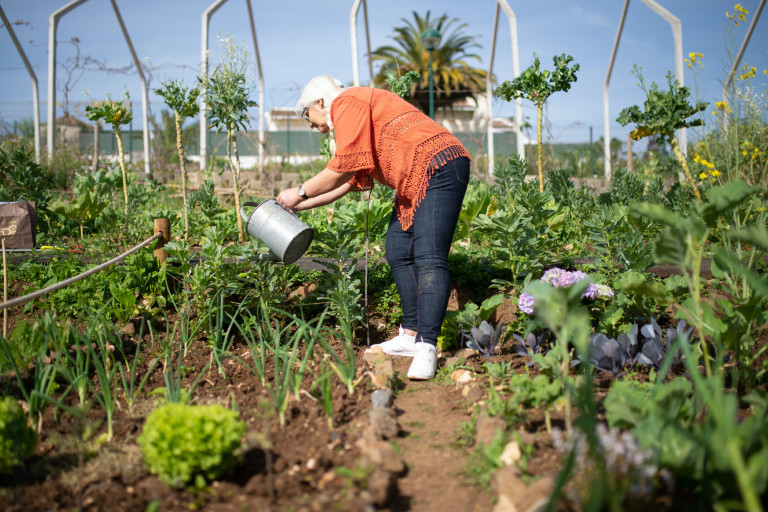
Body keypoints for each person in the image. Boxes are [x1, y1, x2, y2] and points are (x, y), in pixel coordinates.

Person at [276, 75, 470, 380]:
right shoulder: (353, 121)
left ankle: (427, 346)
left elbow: (343, 167)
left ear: (320, 102)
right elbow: (348, 181)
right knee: (397, 248)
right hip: (415, 178)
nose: (310, 125)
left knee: (429, 255)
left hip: (440, 165)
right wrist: (299, 204)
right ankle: (410, 334)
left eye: (306, 115)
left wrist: (299, 190)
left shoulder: (346, 102)